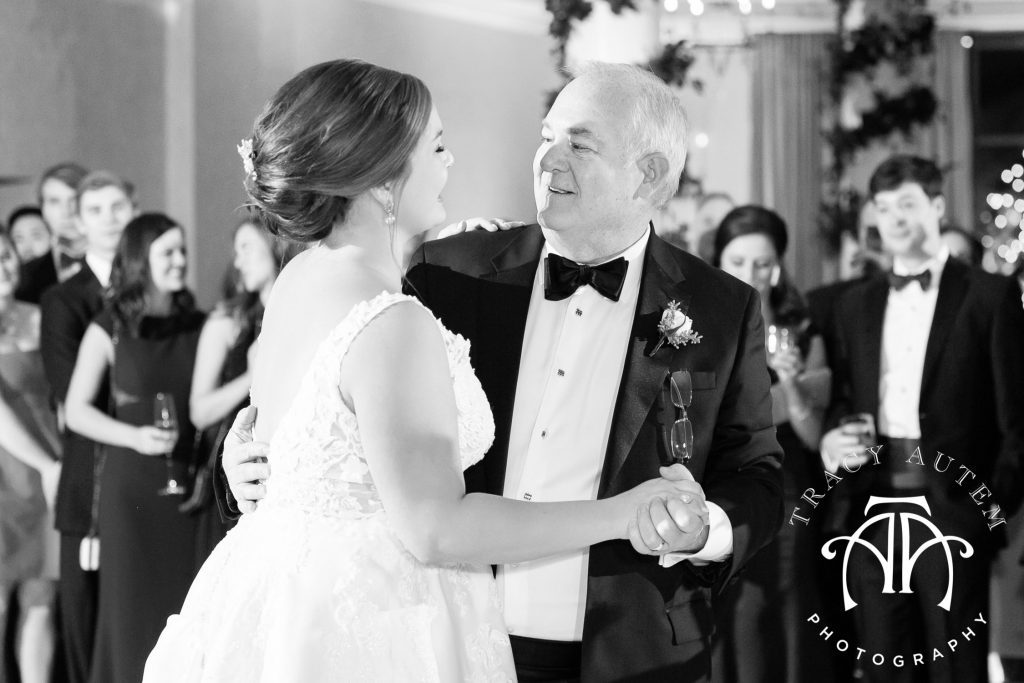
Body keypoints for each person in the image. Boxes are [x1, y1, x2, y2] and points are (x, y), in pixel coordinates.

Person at [142, 59, 727, 683]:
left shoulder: (302, 277)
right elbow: (435, 527)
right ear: (382, 180)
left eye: (579, 144)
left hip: (288, 613)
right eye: (438, 147)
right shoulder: (406, 309)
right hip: (380, 627)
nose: (452, 162)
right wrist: (623, 513)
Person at [820, 155, 1024, 683]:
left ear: (936, 206)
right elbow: (845, 398)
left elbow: (1017, 422)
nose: (895, 219)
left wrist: (987, 511)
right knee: (885, 666)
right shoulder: (854, 304)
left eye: (907, 204)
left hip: (954, 513)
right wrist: (834, 437)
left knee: (956, 668)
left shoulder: (989, 296)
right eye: (884, 207)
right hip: (870, 511)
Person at [64, 213, 205, 683]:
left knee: (185, 610)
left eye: (182, 250)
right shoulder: (108, 328)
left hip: (187, 492)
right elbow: (76, 410)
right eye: (168, 252)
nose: (180, 260)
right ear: (140, 260)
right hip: (131, 494)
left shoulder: (199, 325)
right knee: (131, 615)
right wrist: (134, 437)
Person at [709, 206, 834, 683]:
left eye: (762, 264)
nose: (751, 274)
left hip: (785, 485)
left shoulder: (800, 330)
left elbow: (813, 435)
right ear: (718, 261)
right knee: (731, 605)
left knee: (783, 597)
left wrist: (793, 387)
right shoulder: (697, 321)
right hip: (715, 486)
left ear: (778, 267)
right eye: (738, 262)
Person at [38, 170, 137, 683]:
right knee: (86, 629)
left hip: (145, 474)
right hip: (91, 478)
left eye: (117, 207)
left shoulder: (157, 288)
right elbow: (67, 388)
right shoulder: (63, 300)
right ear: (77, 221)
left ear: (134, 211)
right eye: (95, 211)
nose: (108, 220)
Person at [187, 215, 294, 553]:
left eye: (246, 247)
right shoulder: (227, 323)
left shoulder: (300, 313)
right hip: (234, 477)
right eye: (236, 252)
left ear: (275, 243)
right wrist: (250, 377)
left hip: (287, 466)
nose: (238, 262)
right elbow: (200, 412)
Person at [0, 231, 62, 683]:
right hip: (9, 475)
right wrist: (45, 465)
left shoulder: (40, 318)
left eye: (5, 256)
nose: (2, 267)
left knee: (42, 599)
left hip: (49, 474)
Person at [16, 163, 90, 304]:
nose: (66, 212)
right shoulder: (25, 276)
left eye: (74, 200)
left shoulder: (124, 261)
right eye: (54, 202)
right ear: (42, 209)